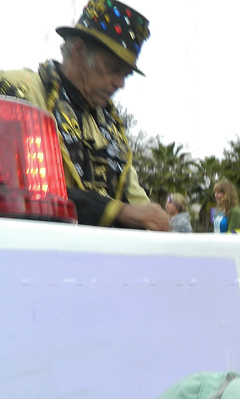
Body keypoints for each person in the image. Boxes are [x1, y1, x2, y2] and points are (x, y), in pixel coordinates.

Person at [0, 1, 168, 231]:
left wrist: (153, 220)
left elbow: (139, 206)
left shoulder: (111, 126)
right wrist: (116, 211)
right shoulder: (19, 90)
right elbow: (14, 188)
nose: (120, 83)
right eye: (113, 69)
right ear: (78, 50)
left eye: (126, 75)